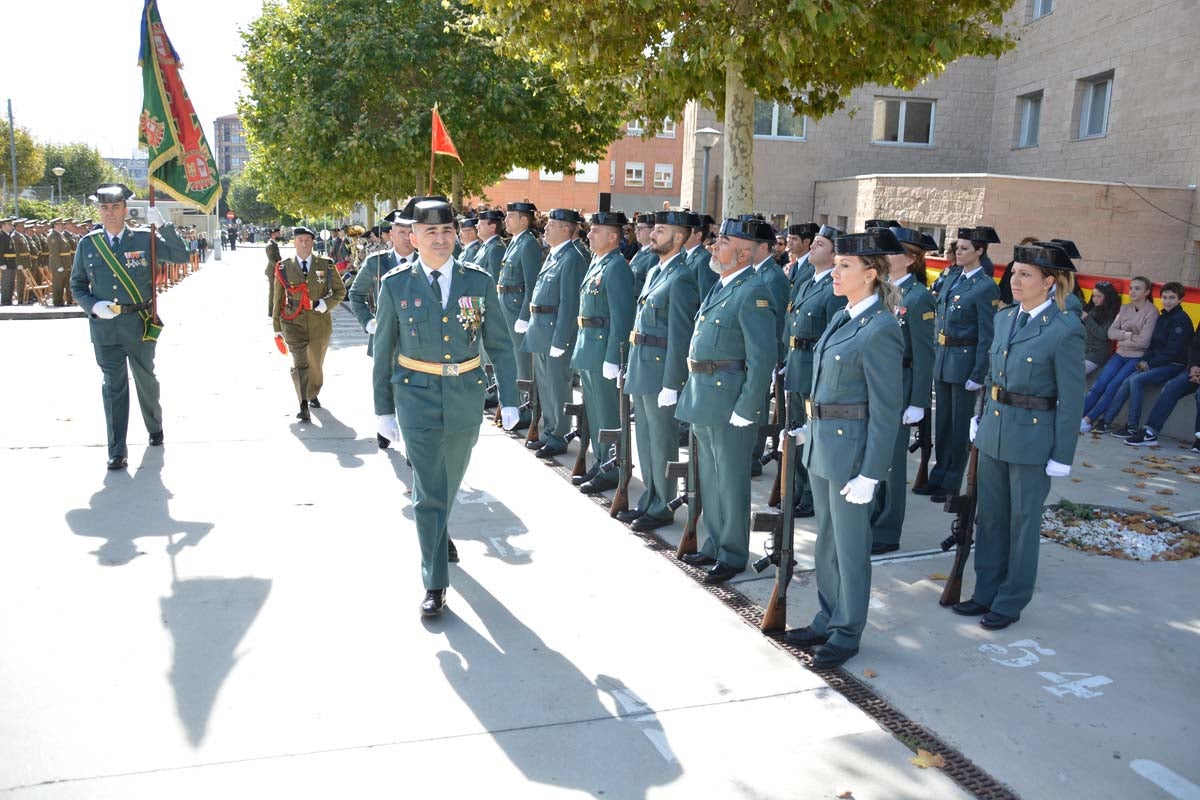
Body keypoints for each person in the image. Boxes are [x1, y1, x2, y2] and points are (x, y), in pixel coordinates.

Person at [371, 197, 521, 617]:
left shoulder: (478, 281)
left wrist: (509, 398)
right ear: (412, 237)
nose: (440, 239)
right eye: (430, 232)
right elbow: (383, 352)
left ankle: (439, 533)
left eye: (448, 231)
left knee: (447, 483)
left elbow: (500, 346)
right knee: (429, 495)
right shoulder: (395, 285)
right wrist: (383, 409)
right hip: (415, 396)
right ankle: (435, 582)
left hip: (464, 397)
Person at [782, 229, 904, 668]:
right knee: (827, 544)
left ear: (870, 274)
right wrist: (806, 429)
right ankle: (826, 616)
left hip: (852, 455)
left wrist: (871, 473)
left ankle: (848, 630)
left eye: (845, 266)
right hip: (823, 445)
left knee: (851, 548)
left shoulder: (882, 329)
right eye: (836, 264)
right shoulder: (843, 316)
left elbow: (886, 410)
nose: (835, 271)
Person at [955, 241, 1085, 630]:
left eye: (1026, 274)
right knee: (990, 519)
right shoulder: (1005, 319)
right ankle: (985, 592)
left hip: (1033, 438)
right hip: (994, 430)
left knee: (1023, 524)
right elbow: (995, 376)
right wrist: (980, 418)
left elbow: (1071, 398)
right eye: (1014, 272)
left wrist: (1063, 453)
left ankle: (1010, 601)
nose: (1015, 280)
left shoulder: (1065, 329)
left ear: (1049, 281)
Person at [675, 217, 776, 584]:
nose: (715, 246)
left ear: (745, 252)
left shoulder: (754, 291)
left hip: (729, 400)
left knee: (730, 480)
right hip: (705, 395)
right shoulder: (722, 285)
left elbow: (762, 358)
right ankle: (715, 543)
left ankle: (733, 552)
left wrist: (747, 408)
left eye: (724, 240)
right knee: (711, 477)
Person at [68, 184, 189, 469]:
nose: (109, 213)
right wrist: (92, 306)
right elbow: (77, 285)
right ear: (99, 210)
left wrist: (164, 225)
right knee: (113, 387)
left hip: (138, 323)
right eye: (104, 208)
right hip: (105, 329)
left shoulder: (145, 238)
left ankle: (154, 426)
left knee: (146, 379)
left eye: (115, 207)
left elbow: (181, 256)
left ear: (125, 209)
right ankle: (117, 450)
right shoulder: (89, 244)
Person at [619, 210, 701, 531]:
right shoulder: (656, 271)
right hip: (642, 366)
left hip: (659, 372)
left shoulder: (681, 278)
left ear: (678, 238)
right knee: (645, 439)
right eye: (653, 229)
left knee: (662, 441)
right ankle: (649, 498)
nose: (652, 234)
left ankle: (663, 505)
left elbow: (681, 336)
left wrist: (672, 383)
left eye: (660, 230)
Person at [919, 225, 1000, 503]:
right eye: (957, 248)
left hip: (964, 361)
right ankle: (938, 474)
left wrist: (979, 372)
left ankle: (952, 479)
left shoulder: (985, 286)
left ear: (980, 251)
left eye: (965, 248)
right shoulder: (954, 276)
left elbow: (987, 334)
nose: (959, 252)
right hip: (943, 358)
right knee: (942, 423)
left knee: (958, 425)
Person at [869, 226, 937, 555]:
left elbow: (924, 355)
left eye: (893, 251)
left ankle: (887, 529)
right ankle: (871, 518)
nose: (886, 255)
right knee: (874, 457)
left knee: (893, 463)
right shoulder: (879, 290)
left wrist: (919, 402)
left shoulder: (919, 296)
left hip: (901, 383)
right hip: (875, 384)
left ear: (910, 259)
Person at [781, 225, 845, 517]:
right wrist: (784, 360)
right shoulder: (807, 282)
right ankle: (793, 488)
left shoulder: (834, 289)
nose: (813, 248)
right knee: (794, 431)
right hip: (795, 364)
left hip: (814, 369)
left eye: (820, 244)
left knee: (812, 434)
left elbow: (833, 337)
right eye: (814, 243)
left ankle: (809, 495)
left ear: (833, 255)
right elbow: (790, 323)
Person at [570, 211, 635, 494]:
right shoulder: (598, 263)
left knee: (607, 413)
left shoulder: (617, 267)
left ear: (613, 236)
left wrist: (614, 356)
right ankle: (600, 461)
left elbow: (621, 317)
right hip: (589, 347)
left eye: (596, 230)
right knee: (594, 412)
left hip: (603, 351)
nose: (590, 234)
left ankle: (612, 465)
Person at [522, 208, 587, 458]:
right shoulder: (553, 255)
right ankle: (549, 431)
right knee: (546, 386)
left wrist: (561, 339)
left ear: (566, 229)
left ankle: (559, 436)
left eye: (551, 224)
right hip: (541, 329)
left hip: (555, 334)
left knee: (558, 387)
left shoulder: (572, 258)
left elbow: (570, 304)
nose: (546, 228)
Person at [271, 226, 346, 422]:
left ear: (313, 242)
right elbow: (277, 299)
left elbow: (340, 292)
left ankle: (313, 392)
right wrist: (277, 328)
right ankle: (303, 403)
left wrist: (324, 304)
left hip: (319, 323)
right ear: (294, 243)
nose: (304, 244)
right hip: (292, 322)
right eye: (300, 240)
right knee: (300, 362)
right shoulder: (283, 267)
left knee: (315, 363)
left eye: (307, 240)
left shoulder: (327, 265)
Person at [1102, 282, 1193, 437]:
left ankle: (1132, 426)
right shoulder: (1163, 317)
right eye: (1165, 297)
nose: (1168, 301)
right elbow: (1152, 345)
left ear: (1180, 300)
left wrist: (1149, 364)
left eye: (1172, 298)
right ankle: (1105, 421)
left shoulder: (1181, 320)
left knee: (1136, 380)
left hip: (1174, 365)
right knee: (1128, 380)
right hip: (1156, 362)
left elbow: (1172, 351)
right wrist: (1143, 361)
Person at [1080, 276, 1158, 432]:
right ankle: (1078, 415)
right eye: (1131, 288)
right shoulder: (1124, 308)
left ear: (1147, 292)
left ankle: (1088, 420)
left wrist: (1122, 335)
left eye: (1137, 288)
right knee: (1099, 385)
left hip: (1136, 356)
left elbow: (1144, 341)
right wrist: (1130, 335)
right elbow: (1110, 333)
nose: (1132, 291)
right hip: (1119, 353)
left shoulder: (1152, 311)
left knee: (1113, 386)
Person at [349, 205, 418, 372]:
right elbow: (356, 294)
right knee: (386, 391)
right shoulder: (376, 262)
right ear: (391, 235)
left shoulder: (426, 262)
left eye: (411, 232)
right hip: (385, 338)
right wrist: (367, 321)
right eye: (401, 232)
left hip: (419, 341)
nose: (407, 237)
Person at [498, 201, 543, 431]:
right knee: (511, 360)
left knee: (522, 362)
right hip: (507, 306)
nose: (506, 220)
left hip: (517, 309)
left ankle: (526, 408)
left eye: (511, 216)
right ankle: (514, 405)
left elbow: (531, 283)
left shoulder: (528, 245)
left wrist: (525, 315)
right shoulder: (515, 243)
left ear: (524, 220)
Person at [1125, 326, 1200, 448]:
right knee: (1171, 388)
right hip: (1195, 371)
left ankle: (1199, 439)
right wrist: (1194, 366)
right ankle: (1150, 433)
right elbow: (1196, 344)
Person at [1082, 281, 1120, 375]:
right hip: (1083, 350)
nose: (1095, 299)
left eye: (1099, 296)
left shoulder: (1112, 313)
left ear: (1107, 298)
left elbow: (1103, 335)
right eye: (1094, 296)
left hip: (1097, 354)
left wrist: (1087, 318)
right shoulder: (1093, 308)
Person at [627, 214, 657, 299]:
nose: (636, 231)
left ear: (653, 230)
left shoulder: (654, 257)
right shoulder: (640, 251)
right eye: (636, 228)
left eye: (640, 229)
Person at [264, 227, 282, 317]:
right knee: (273, 291)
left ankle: (275, 309)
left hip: (276, 270)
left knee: (276, 290)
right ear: (273, 234)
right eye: (278, 233)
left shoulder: (274, 244)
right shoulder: (270, 245)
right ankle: (271, 311)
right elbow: (272, 261)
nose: (280, 235)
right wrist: (279, 268)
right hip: (272, 271)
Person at [0, 218, 15, 305]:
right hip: (6, 262)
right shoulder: (1, 236)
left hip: (11, 262)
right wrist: (1, 263)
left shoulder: (8, 235)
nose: (11, 226)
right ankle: (5, 300)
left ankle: (9, 299)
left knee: (11, 282)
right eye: (9, 225)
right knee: (6, 282)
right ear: (3, 226)